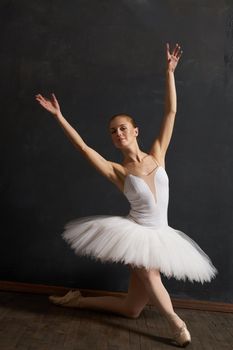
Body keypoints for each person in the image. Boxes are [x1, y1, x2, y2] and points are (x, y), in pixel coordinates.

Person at [35, 43, 218, 347]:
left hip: (163, 234)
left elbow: (171, 111)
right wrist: (58, 116)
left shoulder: (158, 154)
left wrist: (170, 72)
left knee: (131, 309)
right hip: (136, 233)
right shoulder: (117, 171)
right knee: (150, 274)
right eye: (112, 132)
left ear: (135, 131)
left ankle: (77, 301)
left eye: (122, 128)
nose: (118, 134)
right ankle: (177, 325)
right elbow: (83, 148)